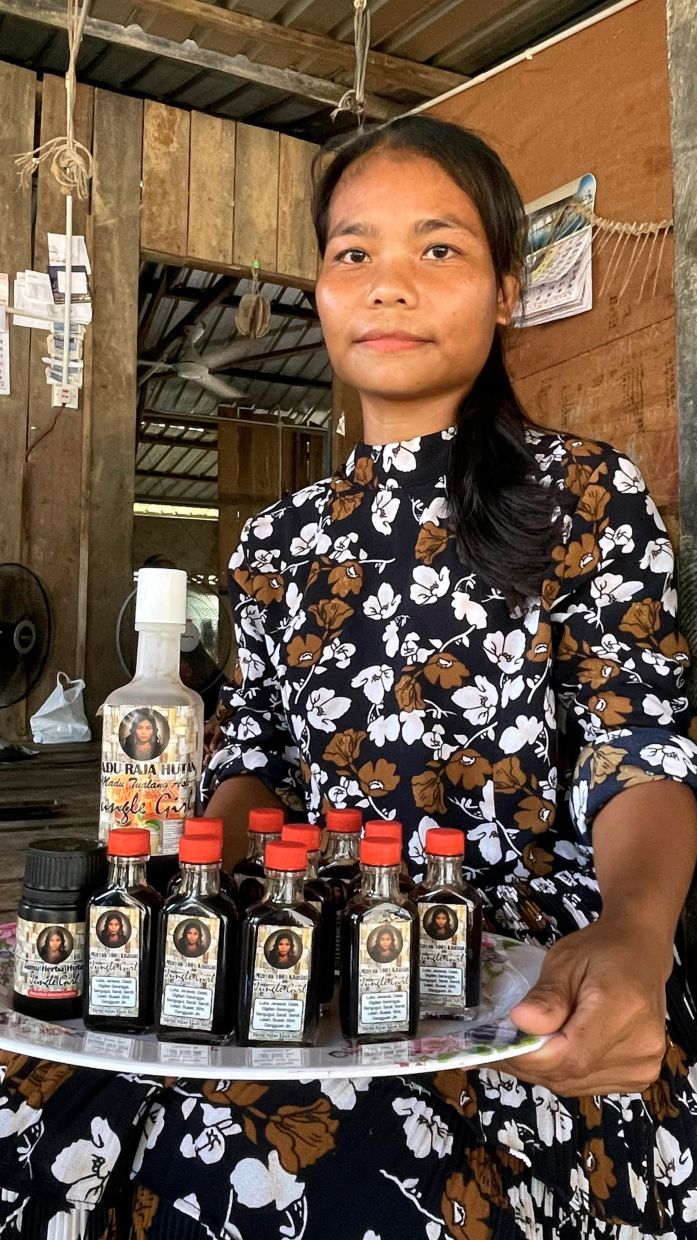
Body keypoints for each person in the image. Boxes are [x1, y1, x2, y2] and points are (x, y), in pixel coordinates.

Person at [0, 116, 696, 1240]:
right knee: (35, 1105)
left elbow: (639, 755)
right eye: (352, 252)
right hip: (307, 939)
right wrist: (166, 906)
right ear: (320, 290)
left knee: (332, 1172)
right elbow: (253, 767)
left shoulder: (584, 495)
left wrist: (636, 935)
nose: (387, 285)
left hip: (527, 965)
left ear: (507, 291)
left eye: (438, 249)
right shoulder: (278, 542)